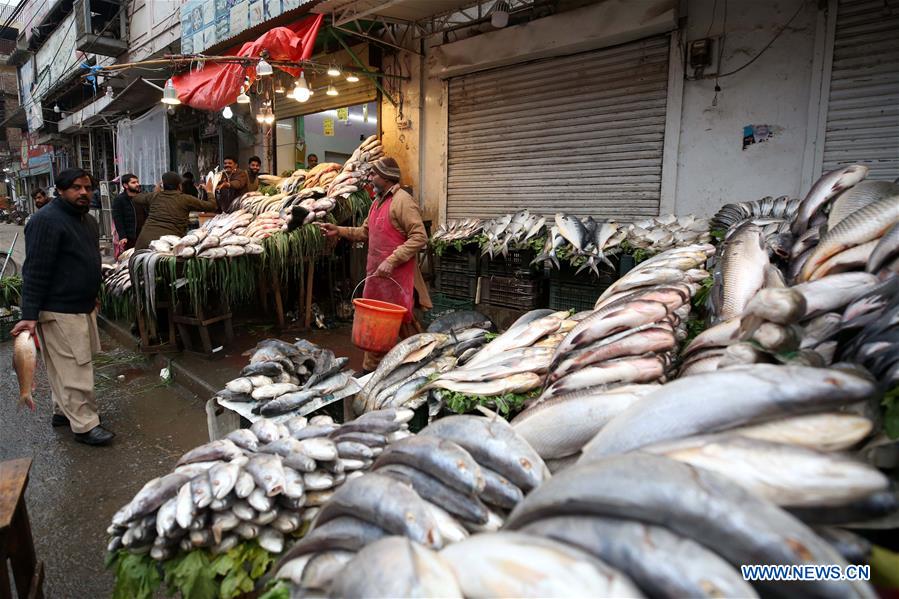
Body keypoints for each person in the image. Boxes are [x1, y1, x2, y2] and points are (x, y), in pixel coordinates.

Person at [11, 168, 113, 446]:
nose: (83, 193)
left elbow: (87, 259)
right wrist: (29, 316)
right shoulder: (46, 221)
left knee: (63, 366)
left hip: (81, 304)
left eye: (87, 187)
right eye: (76, 188)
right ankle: (85, 425)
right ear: (60, 190)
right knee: (77, 368)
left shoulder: (88, 221)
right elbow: (34, 270)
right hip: (59, 309)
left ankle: (62, 411)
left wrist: (93, 291)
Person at [317, 157, 432, 373]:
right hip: (378, 278)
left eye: (374, 174)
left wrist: (392, 260)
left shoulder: (402, 201)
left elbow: (419, 237)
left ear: (387, 178)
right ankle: (371, 370)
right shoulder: (376, 203)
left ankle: (422, 365)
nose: (370, 178)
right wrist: (339, 230)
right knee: (378, 325)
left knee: (403, 325)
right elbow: (365, 233)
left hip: (398, 279)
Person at [134, 171, 216, 250]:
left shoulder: (154, 196)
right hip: (167, 244)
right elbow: (212, 206)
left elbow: (136, 198)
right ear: (180, 186)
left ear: (163, 185)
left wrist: (156, 191)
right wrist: (209, 191)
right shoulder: (185, 199)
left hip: (143, 242)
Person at [111, 173, 147, 252]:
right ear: (125, 185)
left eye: (137, 182)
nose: (137, 184)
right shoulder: (120, 199)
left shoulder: (143, 197)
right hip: (130, 237)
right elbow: (118, 219)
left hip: (144, 235)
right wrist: (122, 236)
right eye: (133, 182)